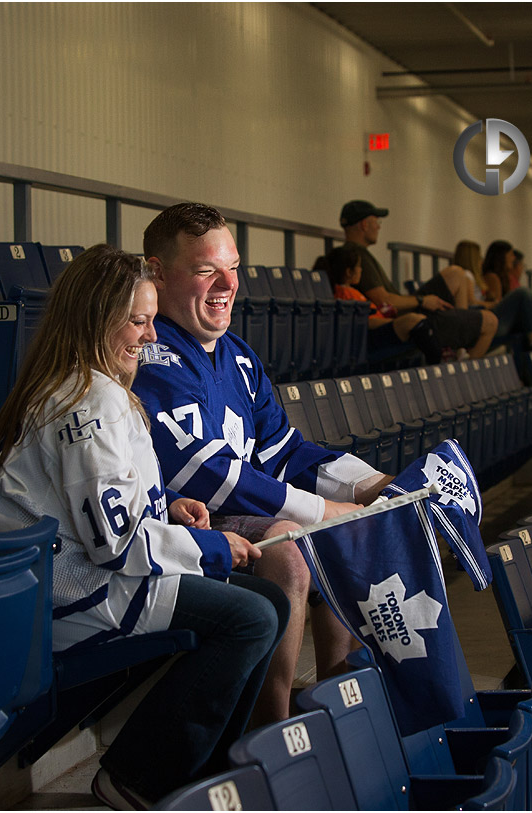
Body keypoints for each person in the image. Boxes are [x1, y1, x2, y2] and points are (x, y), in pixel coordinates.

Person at [0, 245, 289, 808]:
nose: (150, 337)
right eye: (138, 322)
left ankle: (214, 768)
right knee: (251, 616)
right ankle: (135, 780)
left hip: (97, 572)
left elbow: (113, 505)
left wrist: (167, 505)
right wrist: (211, 545)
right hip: (72, 592)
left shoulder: (97, 386)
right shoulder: (86, 402)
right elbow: (117, 547)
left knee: (270, 601)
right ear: (97, 321)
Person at [133, 203, 395, 727]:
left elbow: (286, 451)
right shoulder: (151, 352)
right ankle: (271, 730)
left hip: (230, 519)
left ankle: (333, 702)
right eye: (207, 269)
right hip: (176, 526)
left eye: (233, 266)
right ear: (157, 272)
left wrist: (369, 484)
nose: (227, 283)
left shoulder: (238, 356)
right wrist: (322, 509)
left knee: (347, 524)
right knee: (296, 544)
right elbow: (202, 473)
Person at [339, 199, 497, 359]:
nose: (379, 226)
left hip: (405, 310)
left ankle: (460, 341)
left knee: (456, 273)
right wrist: (421, 301)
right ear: (364, 224)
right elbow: (384, 301)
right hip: (400, 318)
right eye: (376, 221)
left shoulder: (358, 253)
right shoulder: (357, 255)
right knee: (490, 322)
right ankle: (460, 362)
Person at [322, 244, 443, 363]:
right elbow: (364, 321)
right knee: (413, 320)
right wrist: (393, 322)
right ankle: (437, 362)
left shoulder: (353, 292)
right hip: (368, 338)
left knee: (419, 321)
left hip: (378, 328)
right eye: (359, 266)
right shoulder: (344, 294)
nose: (361, 270)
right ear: (349, 272)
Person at [482, 240, 532, 350]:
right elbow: (497, 304)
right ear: (502, 256)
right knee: (523, 292)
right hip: (496, 322)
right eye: (511, 254)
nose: (513, 258)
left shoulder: (504, 278)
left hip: (503, 321)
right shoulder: (492, 277)